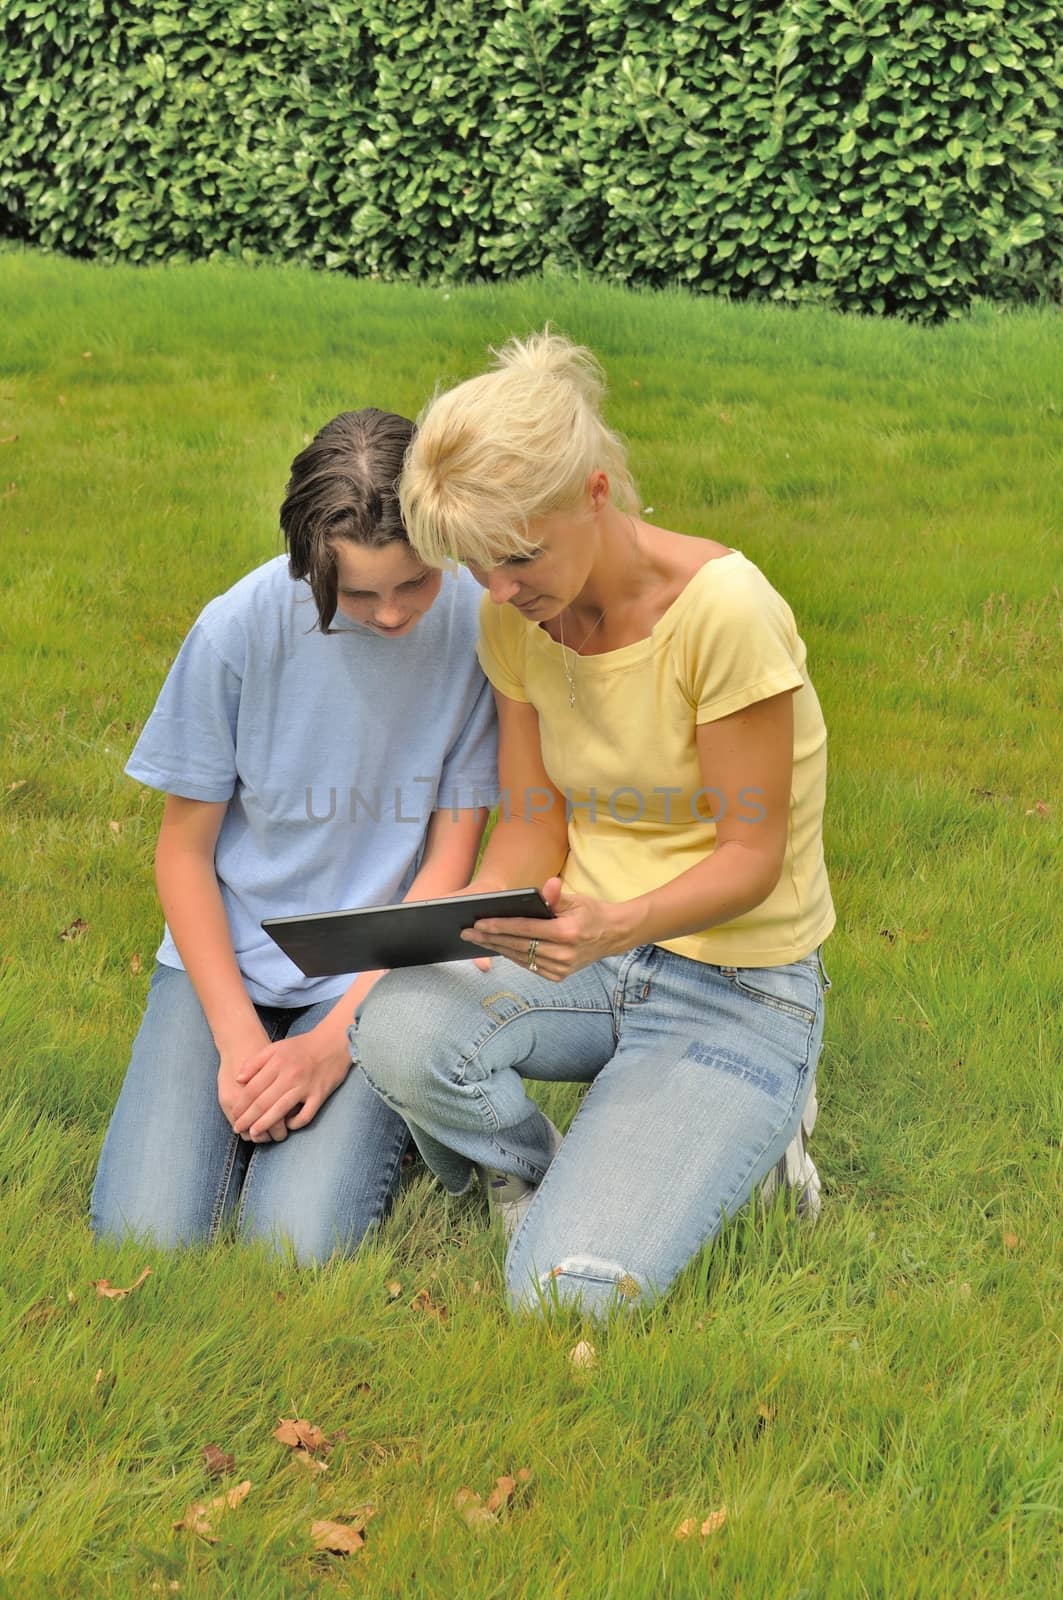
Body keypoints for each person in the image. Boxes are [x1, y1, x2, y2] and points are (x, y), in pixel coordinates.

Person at [350, 332, 835, 1316]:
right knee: (396, 1026)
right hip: (588, 953)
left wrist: (616, 924)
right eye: (479, 566)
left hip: (736, 986)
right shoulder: (516, 617)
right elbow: (532, 824)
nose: (502, 591)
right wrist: (474, 925)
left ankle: (758, 1114)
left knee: (562, 1301)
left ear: (598, 492)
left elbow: (753, 858)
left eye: (520, 556)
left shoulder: (723, 612)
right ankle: (538, 1176)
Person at [90, 409, 498, 1264]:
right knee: (144, 1236)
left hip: (375, 973)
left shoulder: (475, 628)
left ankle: (357, 1096)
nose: (392, 616)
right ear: (311, 564)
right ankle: (254, 1094)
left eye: (413, 583)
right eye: (357, 594)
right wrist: (242, 1043)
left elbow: (448, 864)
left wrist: (332, 1046)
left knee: (297, 1250)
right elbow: (184, 856)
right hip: (228, 963)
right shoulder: (237, 629)